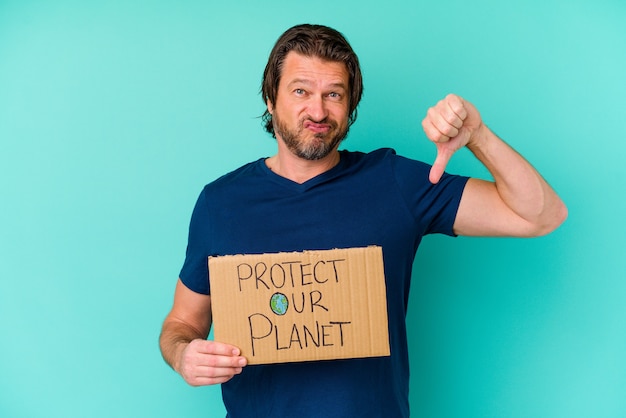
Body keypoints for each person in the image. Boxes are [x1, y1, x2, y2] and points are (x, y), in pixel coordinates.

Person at [159, 24, 567, 417]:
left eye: (333, 94)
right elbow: (183, 321)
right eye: (300, 91)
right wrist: (182, 354)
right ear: (271, 97)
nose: (317, 110)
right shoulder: (222, 202)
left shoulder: (395, 183)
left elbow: (541, 216)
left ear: (350, 105)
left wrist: (477, 135)